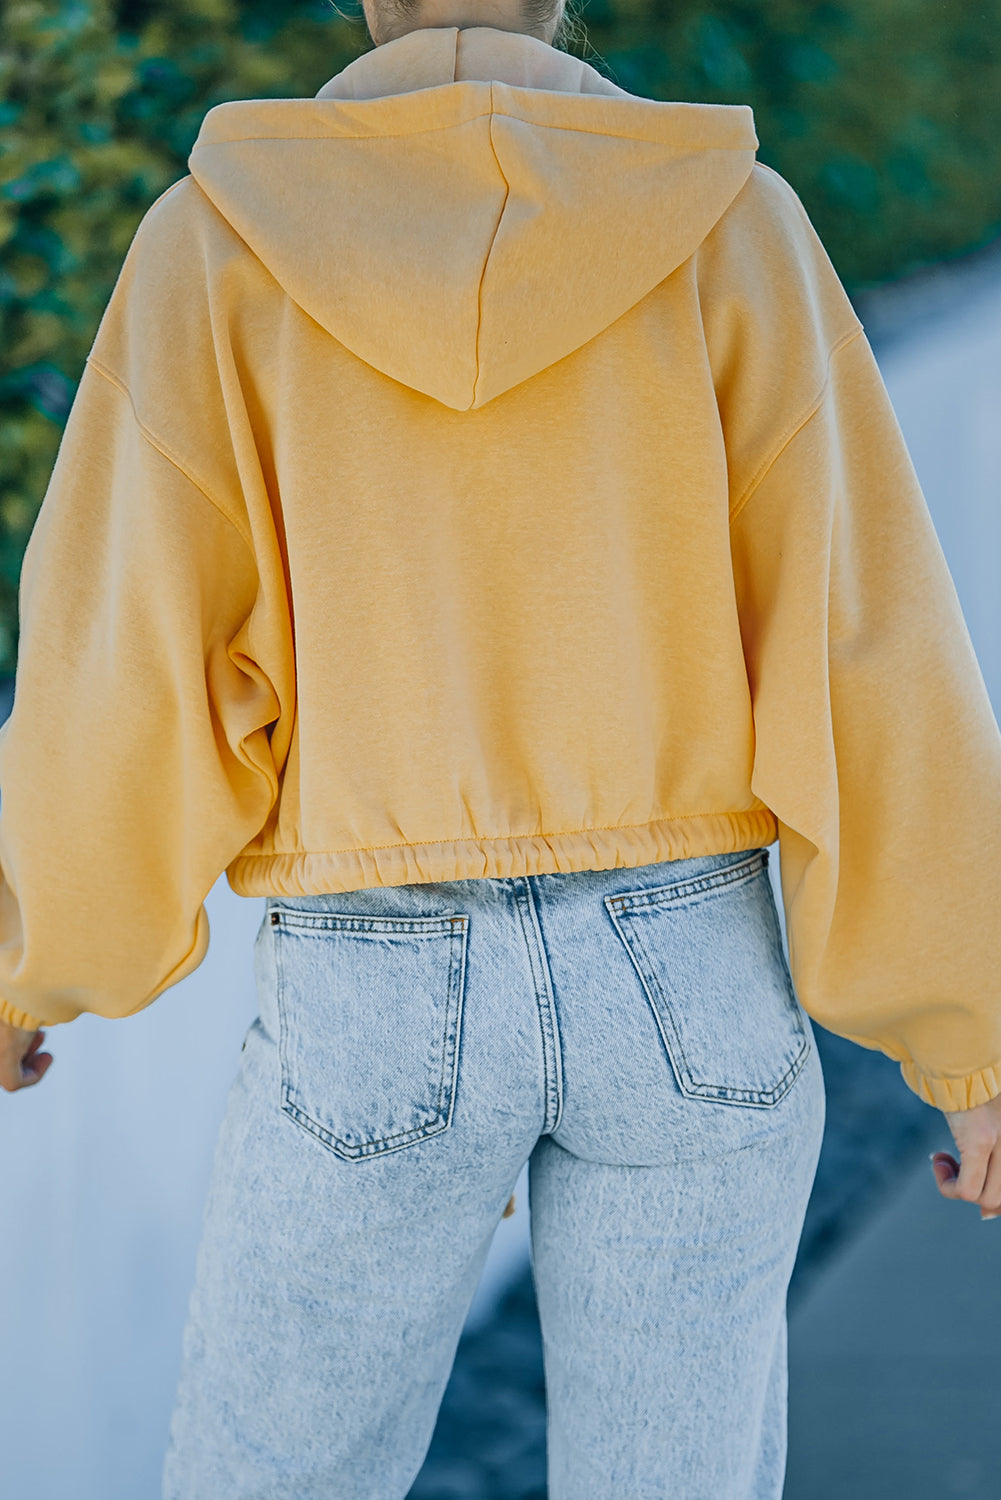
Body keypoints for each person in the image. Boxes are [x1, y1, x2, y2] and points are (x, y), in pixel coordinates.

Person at [1, 0, 1000, 1493]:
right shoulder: (730, 226)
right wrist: (971, 1041)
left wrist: (31, 959)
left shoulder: (214, 247)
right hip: (689, 971)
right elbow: (862, 646)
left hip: (370, 978)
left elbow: (126, 662)